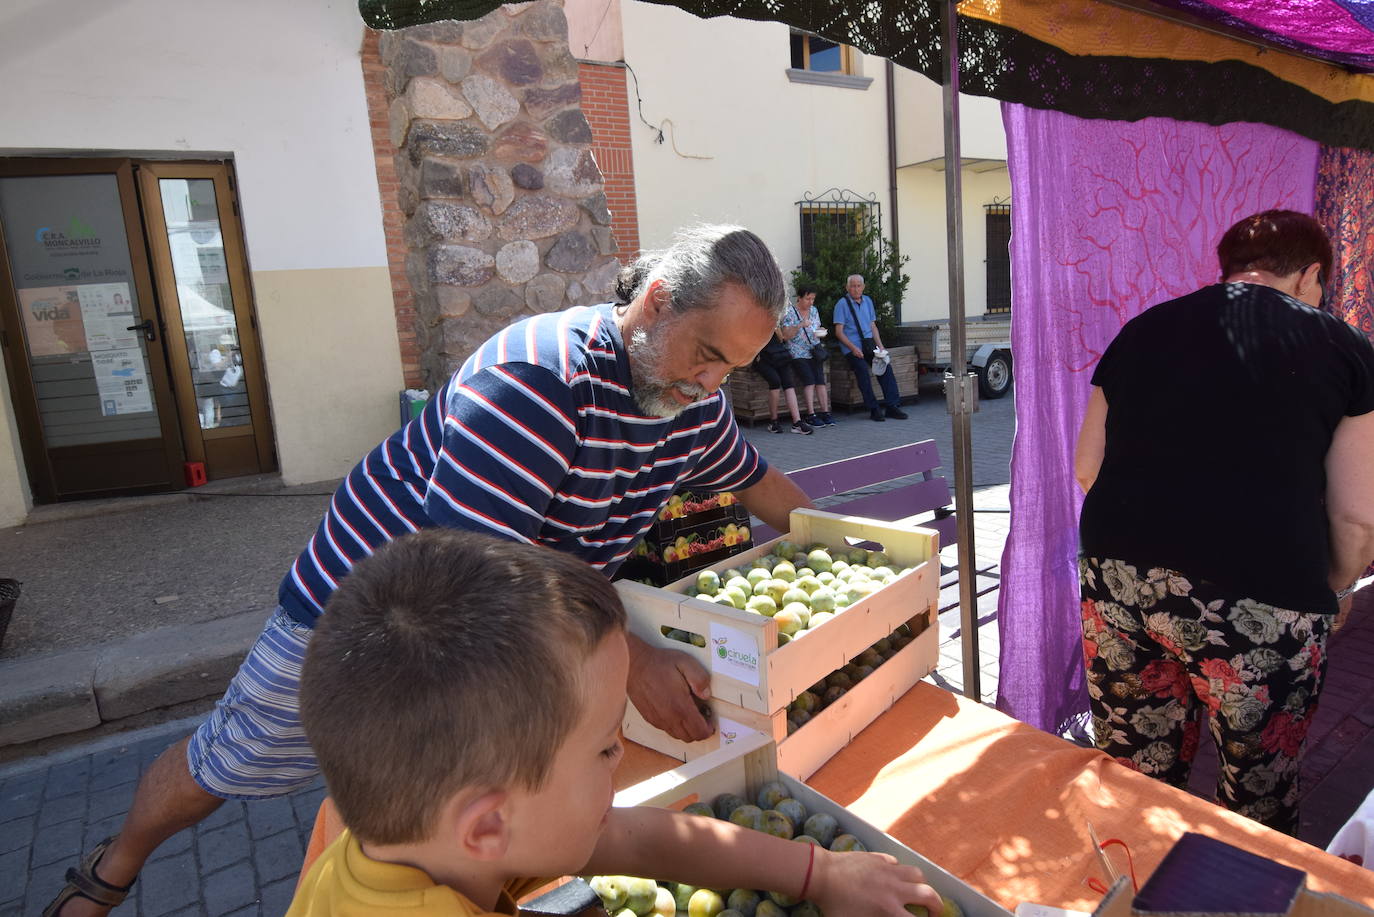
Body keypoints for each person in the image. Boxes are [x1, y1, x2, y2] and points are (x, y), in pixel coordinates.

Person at [44, 224, 814, 917]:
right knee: (227, 758)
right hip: (363, 613)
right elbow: (471, 567)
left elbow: (757, 480)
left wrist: (839, 540)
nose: (709, 385)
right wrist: (636, 659)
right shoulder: (538, 379)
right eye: (707, 354)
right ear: (655, 302)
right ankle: (113, 869)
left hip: (497, 632)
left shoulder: (693, 408)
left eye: (734, 370)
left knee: (425, 812)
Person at [286, 527, 943, 916]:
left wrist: (819, 873)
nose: (623, 758)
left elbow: (642, 839)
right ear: (486, 824)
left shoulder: (428, 842)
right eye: (607, 749)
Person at [1073, 210, 1374, 835]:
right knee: (1255, 797)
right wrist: (1339, 588)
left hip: (1120, 580)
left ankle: (1128, 886)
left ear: (1231, 268)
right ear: (1312, 275)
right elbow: (1358, 513)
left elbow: (1085, 467)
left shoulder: (1143, 329)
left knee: (1133, 776)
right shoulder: (1342, 347)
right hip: (1263, 598)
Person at [834, 274, 907, 422]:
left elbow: (872, 326)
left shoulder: (867, 301)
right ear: (847, 288)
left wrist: (880, 347)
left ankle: (892, 406)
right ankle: (874, 408)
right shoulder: (841, 304)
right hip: (852, 346)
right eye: (852, 286)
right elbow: (839, 332)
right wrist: (853, 348)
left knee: (885, 367)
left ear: (863, 287)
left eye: (858, 285)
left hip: (868, 344)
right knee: (862, 371)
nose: (855, 289)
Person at [783, 283, 835, 428]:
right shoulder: (790, 312)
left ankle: (825, 412)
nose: (810, 302)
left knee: (820, 381)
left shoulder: (814, 311)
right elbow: (785, 336)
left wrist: (820, 330)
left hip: (813, 350)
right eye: (808, 299)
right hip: (797, 352)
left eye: (812, 299)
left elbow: (815, 327)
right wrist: (800, 325)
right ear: (799, 298)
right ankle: (810, 414)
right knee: (809, 380)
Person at [752, 329, 813, 434]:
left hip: (778, 354)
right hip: (761, 357)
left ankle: (797, 422)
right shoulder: (753, 320)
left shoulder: (775, 318)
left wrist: (775, 327)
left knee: (789, 384)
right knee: (775, 382)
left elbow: (782, 338)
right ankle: (774, 422)